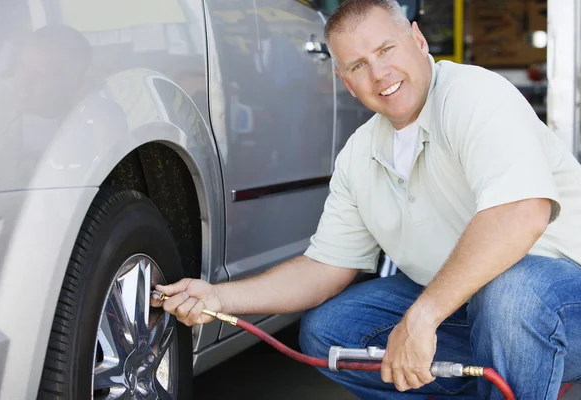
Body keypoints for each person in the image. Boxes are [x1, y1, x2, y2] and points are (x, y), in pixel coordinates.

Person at [151, 1, 581, 398]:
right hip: (475, 309)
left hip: (561, 297)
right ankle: (515, 378)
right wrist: (219, 298)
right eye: (359, 65)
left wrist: (423, 316)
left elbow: (523, 213)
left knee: (512, 293)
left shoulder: (473, 95)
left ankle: (530, 372)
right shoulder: (360, 155)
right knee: (331, 330)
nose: (380, 74)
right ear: (345, 82)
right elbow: (324, 269)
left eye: (386, 49)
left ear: (418, 40)